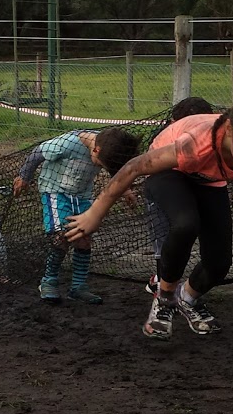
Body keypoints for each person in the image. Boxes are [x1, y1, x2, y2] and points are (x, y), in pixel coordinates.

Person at [65, 92, 233, 340]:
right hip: (172, 171)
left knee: (219, 263)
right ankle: (165, 298)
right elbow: (133, 167)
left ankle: (186, 299)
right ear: (230, 129)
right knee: (186, 224)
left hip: (209, 179)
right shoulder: (196, 146)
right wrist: (95, 213)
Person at [12, 126, 139, 304]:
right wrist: (24, 177)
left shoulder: (107, 147)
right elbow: (37, 153)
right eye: (100, 164)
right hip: (55, 192)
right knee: (61, 237)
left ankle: (78, 286)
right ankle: (49, 281)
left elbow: (114, 169)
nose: (99, 166)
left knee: (84, 237)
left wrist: (124, 189)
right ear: (96, 150)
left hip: (82, 196)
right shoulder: (68, 143)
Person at [144, 96, 214, 294]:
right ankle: (163, 294)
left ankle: (163, 282)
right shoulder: (162, 139)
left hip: (189, 196)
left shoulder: (205, 140)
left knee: (187, 237)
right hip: (160, 199)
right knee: (165, 243)